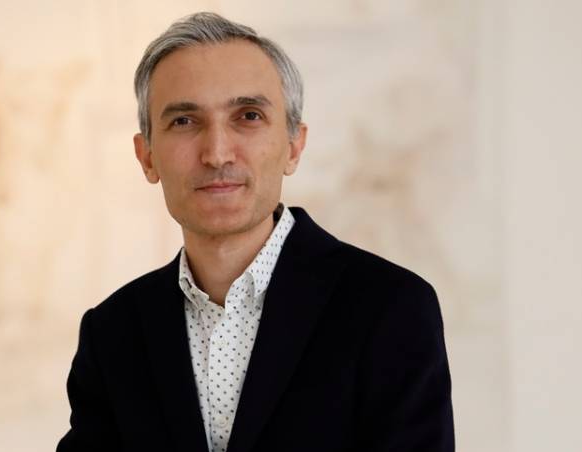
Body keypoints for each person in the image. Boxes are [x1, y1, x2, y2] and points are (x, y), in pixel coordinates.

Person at [57, 12, 454, 452]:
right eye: (184, 121)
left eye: (248, 116)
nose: (217, 153)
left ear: (294, 145)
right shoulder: (112, 333)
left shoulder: (390, 308)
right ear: (147, 156)